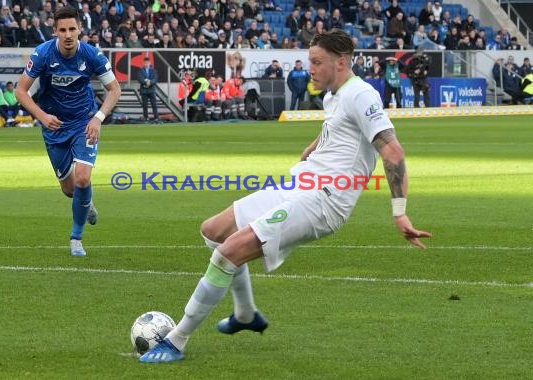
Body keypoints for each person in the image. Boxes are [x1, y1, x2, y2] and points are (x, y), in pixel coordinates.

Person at [139, 29, 431, 364]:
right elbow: (337, 132)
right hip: (300, 186)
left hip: (324, 201)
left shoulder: (361, 95)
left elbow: (393, 151)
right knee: (214, 231)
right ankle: (245, 313)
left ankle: (177, 340)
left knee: (228, 253)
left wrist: (399, 212)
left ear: (341, 62)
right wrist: (313, 147)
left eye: (317, 62)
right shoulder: (334, 95)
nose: (311, 69)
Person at [15, 6, 121, 257]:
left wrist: (98, 118)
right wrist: (42, 116)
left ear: (80, 29)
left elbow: (114, 89)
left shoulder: (92, 54)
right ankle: (87, 203)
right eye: (62, 30)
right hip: (54, 125)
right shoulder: (42, 54)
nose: (68, 34)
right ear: (55, 32)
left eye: (72, 29)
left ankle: (76, 238)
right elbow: (20, 91)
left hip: (84, 122)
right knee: (70, 190)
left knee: (83, 177)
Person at [138, 56, 159, 122]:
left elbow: (155, 79)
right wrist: (145, 82)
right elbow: (140, 79)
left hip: (151, 90)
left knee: (154, 104)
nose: (146, 64)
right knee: (145, 105)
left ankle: (156, 118)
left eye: (147, 62)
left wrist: (150, 82)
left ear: (150, 63)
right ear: (144, 63)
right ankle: (146, 117)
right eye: (145, 63)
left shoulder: (154, 71)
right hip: (144, 91)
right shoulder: (140, 71)